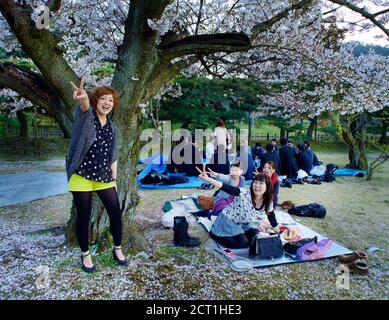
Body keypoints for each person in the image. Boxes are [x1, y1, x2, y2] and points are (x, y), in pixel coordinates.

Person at [67, 80, 127, 273]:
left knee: (116, 213)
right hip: (81, 176)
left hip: (104, 177)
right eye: (103, 99)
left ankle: (117, 248)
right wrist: (83, 97)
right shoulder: (87, 117)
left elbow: (113, 155)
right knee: (83, 216)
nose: (107, 103)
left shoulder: (112, 128)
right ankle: (85, 254)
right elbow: (84, 106)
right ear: (96, 101)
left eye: (110, 100)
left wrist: (114, 179)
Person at [197, 168, 280, 249]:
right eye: (255, 182)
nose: (257, 185)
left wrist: (278, 233)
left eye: (261, 183)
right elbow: (226, 187)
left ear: (267, 186)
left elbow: (271, 215)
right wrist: (210, 180)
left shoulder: (268, 202)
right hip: (227, 221)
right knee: (243, 243)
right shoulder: (244, 193)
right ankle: (215, 233)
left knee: (255, 237)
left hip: (244, 224)